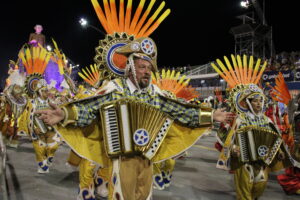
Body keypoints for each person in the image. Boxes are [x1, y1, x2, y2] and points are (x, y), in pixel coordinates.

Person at [36, 37, 233, 199]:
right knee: (121, 195)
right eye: (141, 67)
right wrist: (64, 113)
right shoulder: (116, 90)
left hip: (147, 158)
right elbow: (90, 108)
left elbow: (180, 110)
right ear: (130, 67)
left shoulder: (155, 94)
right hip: (121, 159)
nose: (147, 72)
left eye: (149, 68)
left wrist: (210, 115)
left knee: (144, 196)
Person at [212, 55, 300, 200]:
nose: (259, 104)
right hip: (243, 161)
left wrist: (279, 152)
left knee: (260, 187)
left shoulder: (267, 120)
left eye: (260, 101)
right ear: (247, 103)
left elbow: (275, 138)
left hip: (262, 161)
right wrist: (233, 149)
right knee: (244, 189)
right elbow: (228, 140)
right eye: (255, 101)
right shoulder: (240, 120)